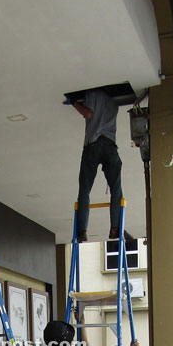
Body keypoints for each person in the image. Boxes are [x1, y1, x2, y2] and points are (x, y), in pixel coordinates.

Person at [72, 88, 130, 243]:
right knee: (116, 189)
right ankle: (115, 228)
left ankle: (82, 230)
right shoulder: (113, 104)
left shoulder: (92, 94)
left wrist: (74, 103)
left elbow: (88, 113)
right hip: (110, 147)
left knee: (85, 188)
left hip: (93, 145)